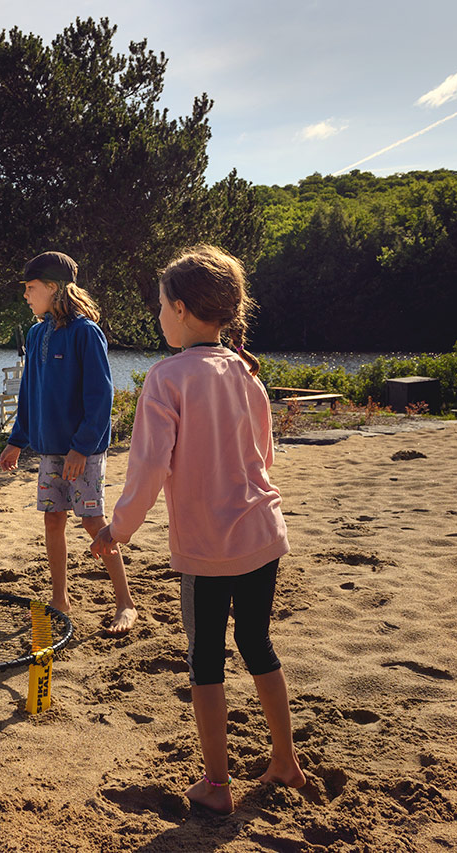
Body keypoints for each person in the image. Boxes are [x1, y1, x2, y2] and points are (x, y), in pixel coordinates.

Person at [91, 244, 306, 813]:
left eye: (161, 306)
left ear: (181, 309)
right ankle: (284, 760)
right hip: (263, 531)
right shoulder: (245, 372)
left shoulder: (166, 379)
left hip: (210, 546)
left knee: (206, 659)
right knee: (257, 644)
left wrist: (118, 529)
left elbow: (148, 468)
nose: (158, 316)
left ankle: (217, 786)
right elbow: (264, 457)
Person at [0, 251, 138, 635]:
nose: (26, 295)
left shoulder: (85, 331)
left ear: (53, 288)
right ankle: (60, 599)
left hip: (83, 452)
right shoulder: (36, 333)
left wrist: (82, 446)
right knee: (52, 519)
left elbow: (101, 395)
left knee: (93, 521)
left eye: (31, 288)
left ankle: (125, 601)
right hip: (49, 451)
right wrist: (16, 441)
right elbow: (29, 394)